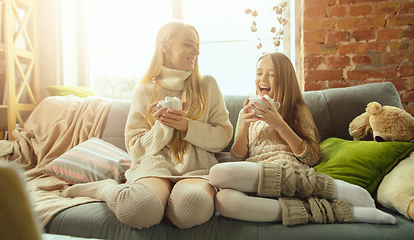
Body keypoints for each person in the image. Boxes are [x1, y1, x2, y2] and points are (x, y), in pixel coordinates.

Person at [61, 21, 233, 229]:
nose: (196, 51)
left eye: (197, 45)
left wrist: (186, 126)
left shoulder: (207, 85)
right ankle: (104, 188)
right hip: (154, 166)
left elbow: (223, 135)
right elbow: (135, 147)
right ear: (165, 46)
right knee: (138, 209)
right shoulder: (144, 90)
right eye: (188, 44)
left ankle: (166, 202)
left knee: (192, 208)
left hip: (197, 168)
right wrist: (164, 126)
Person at [209, 52, 396, 226]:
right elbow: (238, 159)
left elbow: (312, 157)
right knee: (224, 201)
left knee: (218, 174)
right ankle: (322, 210)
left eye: (271, 75)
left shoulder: (296, 109)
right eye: (259, 73)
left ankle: (314, 184)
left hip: (289, 172)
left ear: (285, 80)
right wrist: (244, 126)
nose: (263, 79)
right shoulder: (246, 112)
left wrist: (279, 124)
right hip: (255, 177)